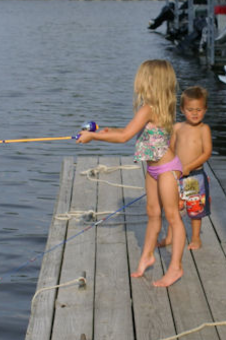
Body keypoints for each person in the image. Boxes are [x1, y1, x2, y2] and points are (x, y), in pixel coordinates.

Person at [76, 60, 186, 287]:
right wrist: (107, 131)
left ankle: (176, 267)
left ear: (150, 81)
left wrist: (94, 137)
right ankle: (147, 255)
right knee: (152, 213)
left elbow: (125, 136)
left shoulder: (149, 108)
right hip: (153, 169)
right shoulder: (160, 104)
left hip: (166, 170)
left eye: (141, 78)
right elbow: (129, 131)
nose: (137, 83)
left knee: (173, 217)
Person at [157, 86, 213, 251]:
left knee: (195, 208)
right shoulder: (177, 128)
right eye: (190, 110)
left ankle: (196, 238)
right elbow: (171, 149)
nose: (194, 113)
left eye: (198, 110)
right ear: (182, 109)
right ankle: (170, 236)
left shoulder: (204, 129)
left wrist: (189, 166)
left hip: (194, 175)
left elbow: (207, 152)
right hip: (177, 175)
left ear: (205, 109)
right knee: (172, 207)